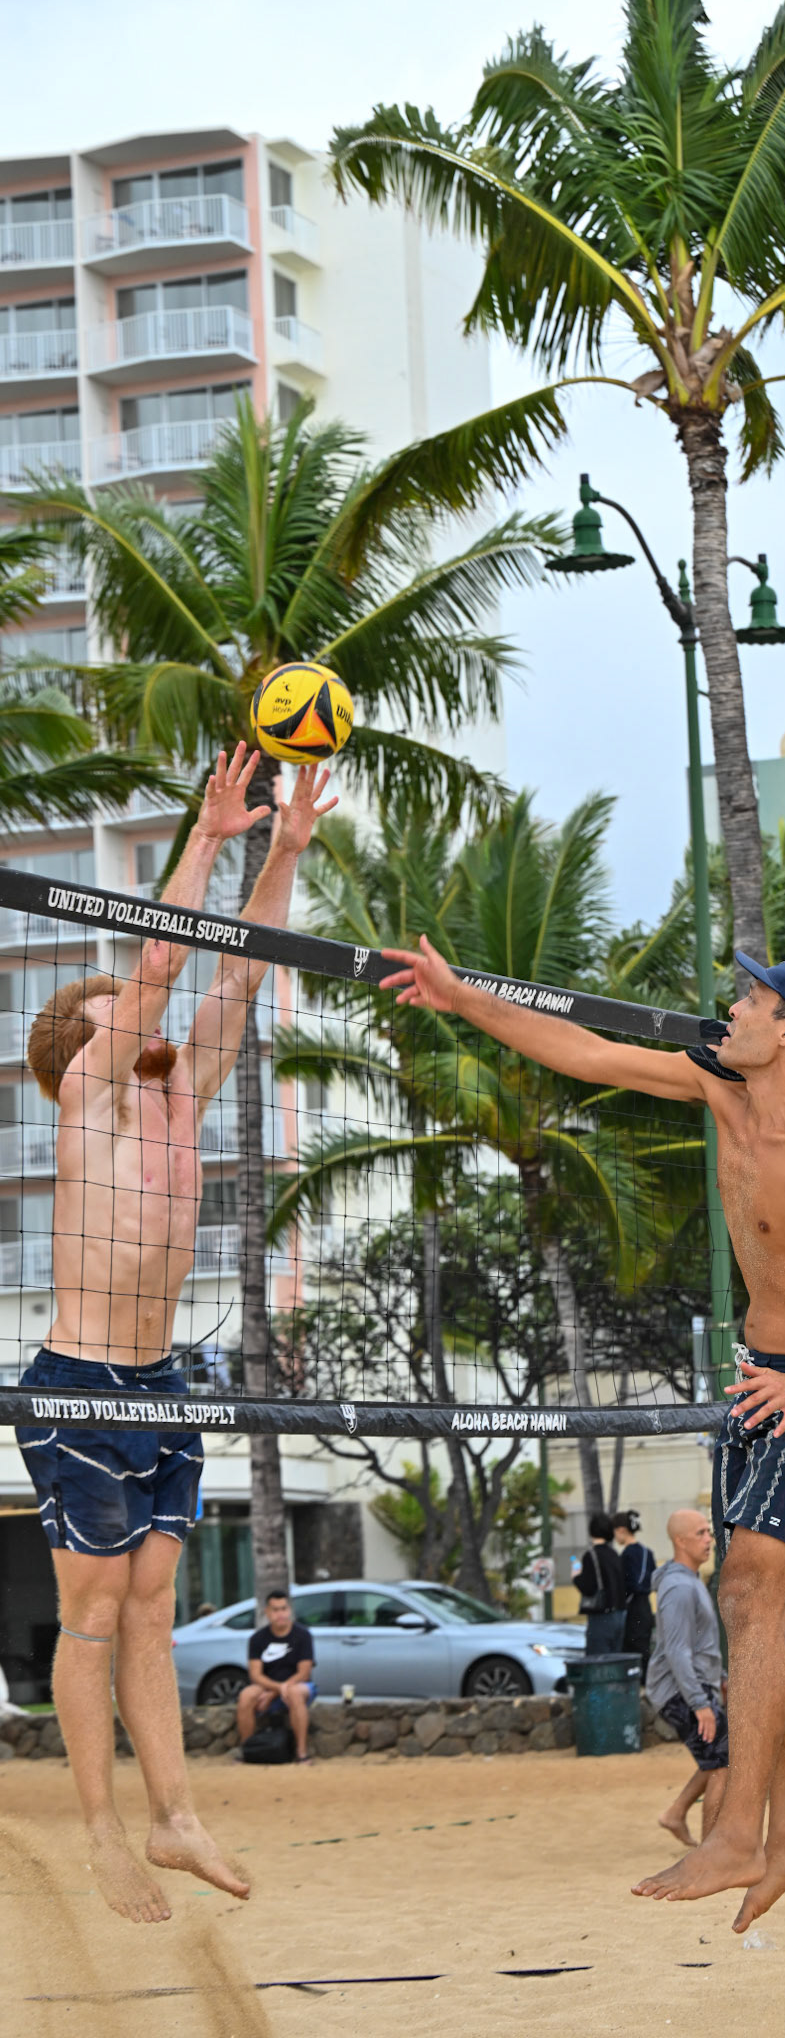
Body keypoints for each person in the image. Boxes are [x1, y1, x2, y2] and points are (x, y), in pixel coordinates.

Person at [378, 942, 785, 1928]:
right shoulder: (724, 1095)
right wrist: (463, 996)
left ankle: (733, 1834)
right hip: (764, 1387)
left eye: (752, 998)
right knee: (775, 1607)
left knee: (750, 1589)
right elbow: (582, 1052)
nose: (733, 1003)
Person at [15, 746, 335, 1924]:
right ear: (81, 1059)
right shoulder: (91, 1100)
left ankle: (172, 1813)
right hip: (83, 1387)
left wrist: (281, 851)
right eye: (120, 1027)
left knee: (153, 1607)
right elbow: (157, 963)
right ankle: (100, 1829)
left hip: (162, 1384)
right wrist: (205, 834)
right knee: (94, 1615)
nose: (147, 1031)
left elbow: (236, 975)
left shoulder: (176, 1093)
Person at [647, 1509, 728, 1848]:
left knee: (719, 1758)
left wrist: (719, 1678)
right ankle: (711, 1854)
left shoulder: (689, 1580)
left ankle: (676, 1813)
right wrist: (699, 1704)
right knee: (725, 1762)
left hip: (693, 1686)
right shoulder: (679, 1587)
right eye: (700, 1533)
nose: (709, 1539)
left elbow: (698, 1645)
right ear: (680, 1541)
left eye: (708, 1532)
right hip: (681, 1692)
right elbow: (677, 1651)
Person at [236, 1590, 316, 1762]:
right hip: (268, 1685)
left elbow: (304, 1672)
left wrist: (275, 1693)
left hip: (298, 1685)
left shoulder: (303, 1635)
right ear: (267, 1612)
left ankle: (301, 1753)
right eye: (275, 1610)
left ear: (290, 1610)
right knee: (246, 1696)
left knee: (294, 1694)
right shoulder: (257, 1638)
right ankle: (247, 1750)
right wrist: (278, 1688)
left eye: (284, 1609)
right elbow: (255, 1675)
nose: (281, 1614)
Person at [577, 1511, 628, 1654]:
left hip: (601, 1615)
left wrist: (576, 1577)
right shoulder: (614, 1554)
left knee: (598, 1663)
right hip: (620, 1613)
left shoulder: (591, 1555)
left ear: (592, 1531)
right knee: (614, 1661)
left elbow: (588, 1587)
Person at [615, 1508, 657, 1676]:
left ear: (621, 1531)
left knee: (631, 1649)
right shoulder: (648, 1553)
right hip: (646, 1605)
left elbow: (625, 1584)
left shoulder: (626, 1555)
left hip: (632, 1607)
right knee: (644, 1648)